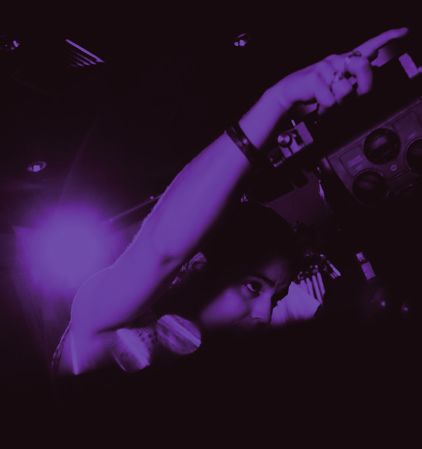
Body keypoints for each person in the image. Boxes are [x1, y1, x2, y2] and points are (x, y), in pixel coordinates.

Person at [53, 28, 408, 375]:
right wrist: (277, 101)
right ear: (198, 266)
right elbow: (161, 247)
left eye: (275, 298)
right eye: (253, 287)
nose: (264, 314)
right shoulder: (100, 329)